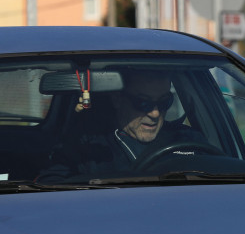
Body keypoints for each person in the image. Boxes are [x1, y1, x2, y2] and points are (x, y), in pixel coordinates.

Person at [42, 69, 207, 179]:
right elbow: (50, 190)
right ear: (117, 99)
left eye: (164, 102)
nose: (155, 113)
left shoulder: (189, 140)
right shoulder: (87, 148)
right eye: (143, 103)